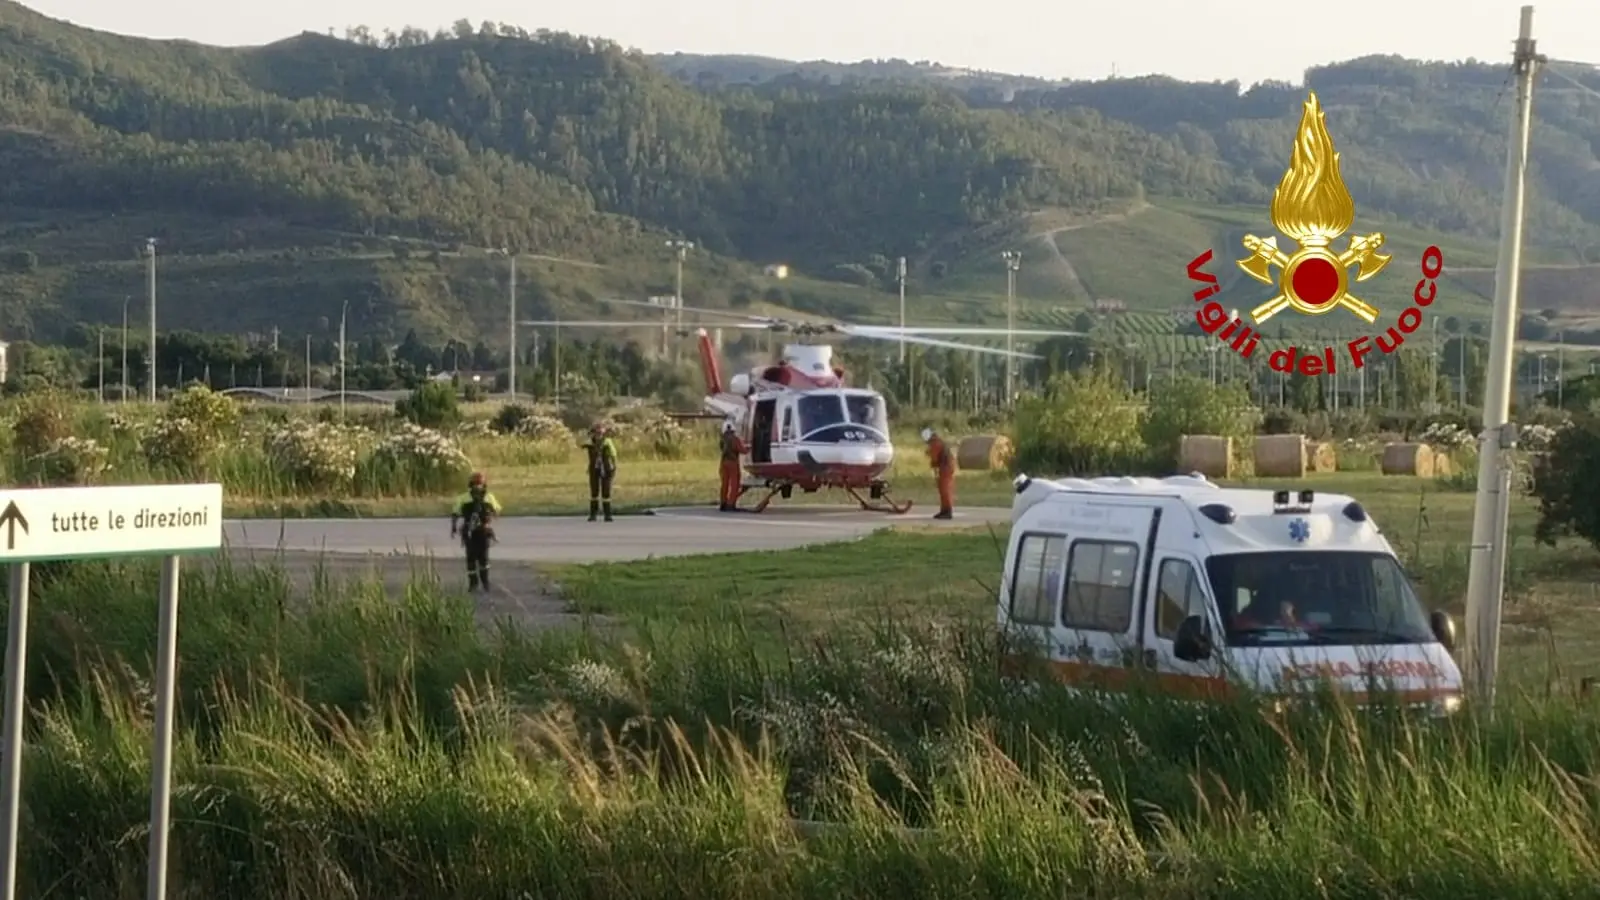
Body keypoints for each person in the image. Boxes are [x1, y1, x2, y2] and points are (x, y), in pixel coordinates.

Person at [450, 472, 501, 592]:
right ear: (471, 485)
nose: (478, 487)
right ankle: (473, 583)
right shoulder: (463, 498)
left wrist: (491, 516)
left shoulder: (489, 497)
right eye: (476, 484)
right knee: (471, 557)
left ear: (484, 485)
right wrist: (453, 528)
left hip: (483, 531)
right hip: (469, 532)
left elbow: (497, 510)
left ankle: (485, 582)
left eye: (480, 485)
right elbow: (455, 513)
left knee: (484, 558)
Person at [585, 422, 618, 522]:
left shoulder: (607, 442)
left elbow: (613, 455)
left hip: (606, 468)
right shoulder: (590, 442)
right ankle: (593, 514)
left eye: (600, 433)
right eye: (596, 433)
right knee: (594, 492)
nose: (598, 435)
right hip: (594, 468)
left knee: (606, 491)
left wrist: (613, 466)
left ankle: (607, 514)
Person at [922, 426, 955, 520]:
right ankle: (944, 510)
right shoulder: (938, 442)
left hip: (946, 468)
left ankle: (948, 511)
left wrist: (933, 466)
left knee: (945, 490)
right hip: (945, 467)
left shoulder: (935, 444)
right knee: (942, 489)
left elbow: (935, 458)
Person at [718, 419, 747, 512]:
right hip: (733, 463)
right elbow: (743, 450)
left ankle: (723, 503)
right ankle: (731, 504)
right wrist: (748, 448)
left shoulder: (722, 440)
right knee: (734, 483)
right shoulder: (735, 439)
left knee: (724, 484)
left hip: (723, 463)